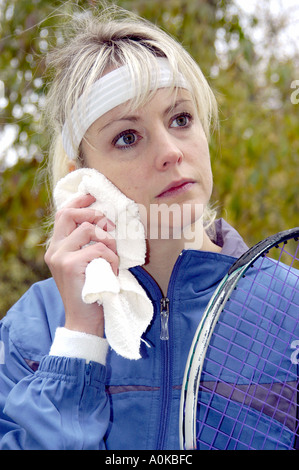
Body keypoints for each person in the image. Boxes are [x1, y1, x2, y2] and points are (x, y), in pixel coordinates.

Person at [0, 5, 250, 450]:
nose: (171, 151)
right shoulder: (30, 330)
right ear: (85, 176)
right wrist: (80, 337)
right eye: (128, 137)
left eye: (180, 118)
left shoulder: (284, 304)